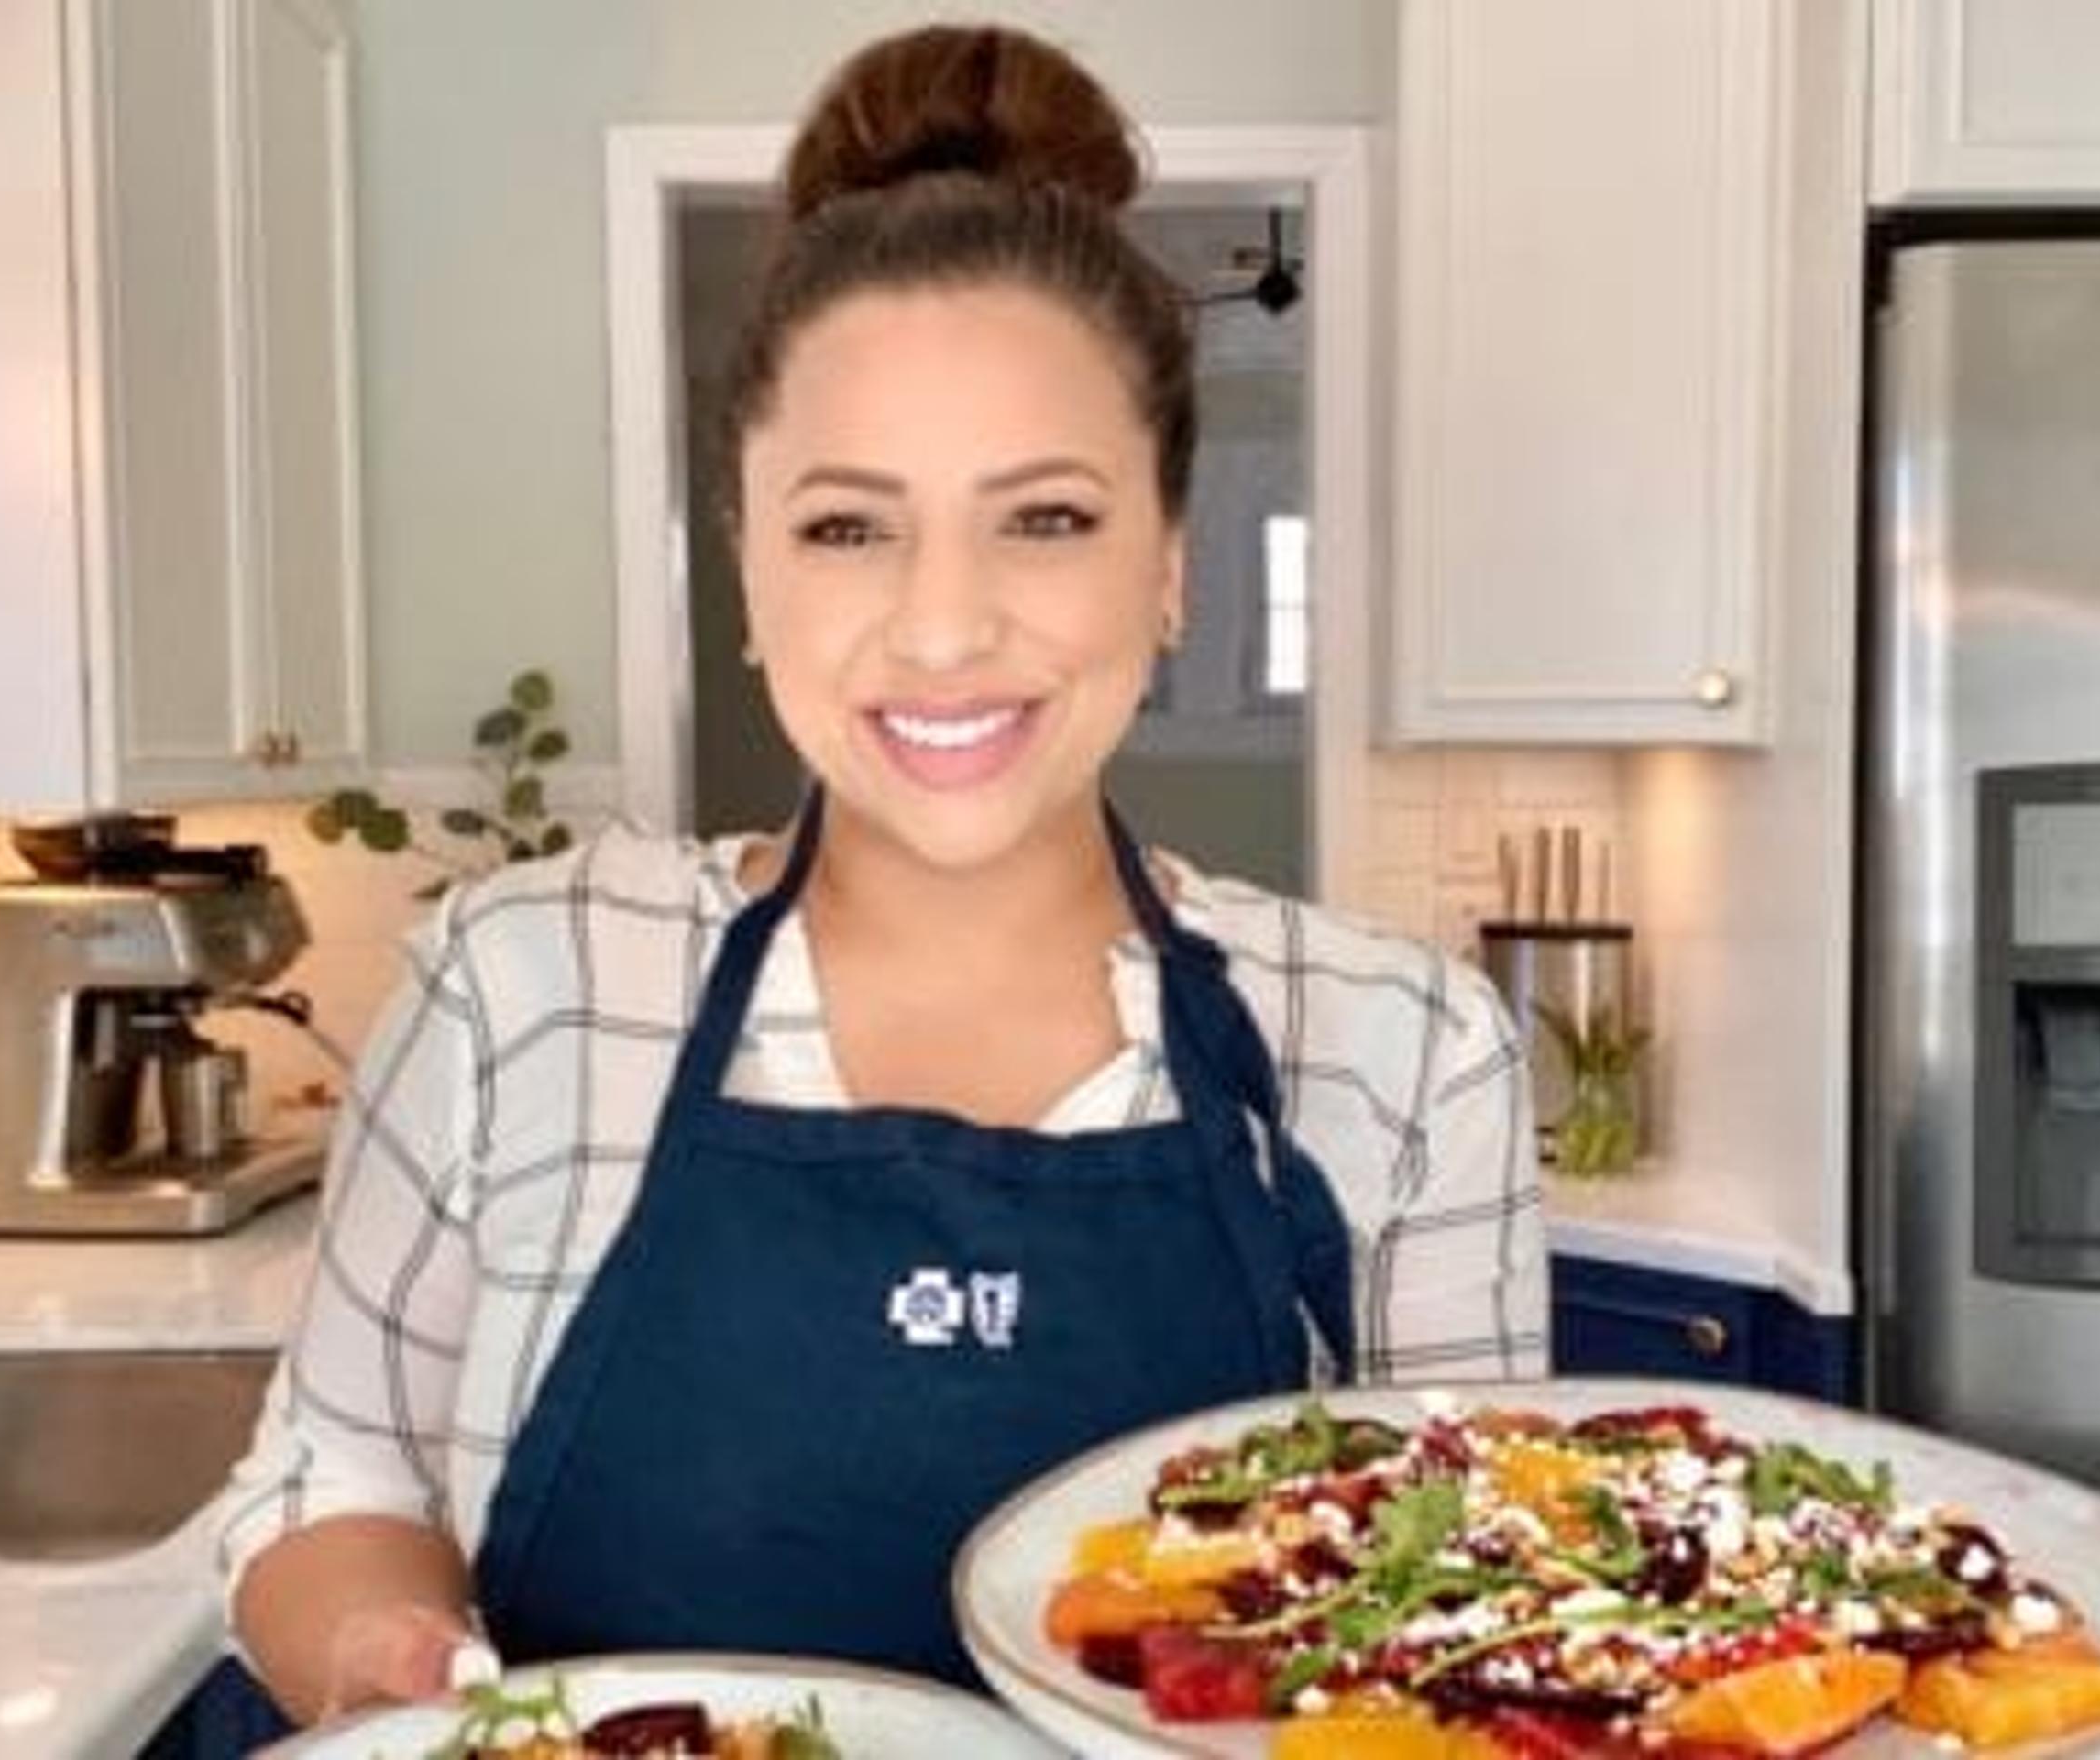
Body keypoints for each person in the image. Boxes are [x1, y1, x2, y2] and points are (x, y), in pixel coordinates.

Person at [208, 22, 1545, 1732]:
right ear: (751, 577)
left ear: (1172, 571)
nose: (939, 624)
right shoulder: (525, 988)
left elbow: (1467, 1626)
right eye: (847, 526)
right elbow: (332, 1483)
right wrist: (397, 1671)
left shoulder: (1405, 1056)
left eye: (1045, 518)